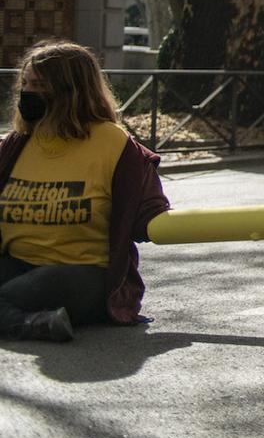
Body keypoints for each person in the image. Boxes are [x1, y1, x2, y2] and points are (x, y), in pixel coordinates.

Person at [0, 41, 171, 342]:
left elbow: (149, 212)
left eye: (39, 85)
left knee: (19, 292)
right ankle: (30, 323)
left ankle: (23, 320)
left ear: (71, 91)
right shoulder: (19, 142)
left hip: (80, 273)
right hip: (16, 263)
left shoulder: (116, 146)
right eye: (25, 83)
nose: (27, 93)